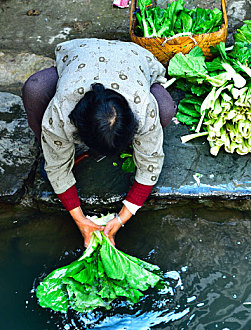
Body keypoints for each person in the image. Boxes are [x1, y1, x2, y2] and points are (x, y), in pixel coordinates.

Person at [22, 38, 177, 247]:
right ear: (78, 129)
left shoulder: (142, 106)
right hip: (82, 55)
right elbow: (57, 169)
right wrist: (80, 220)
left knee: (166, 109)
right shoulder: (62, 110)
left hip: (133, 58)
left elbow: (151, 162)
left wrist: (123, 217)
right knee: (35, 88)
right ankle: (47, 144)